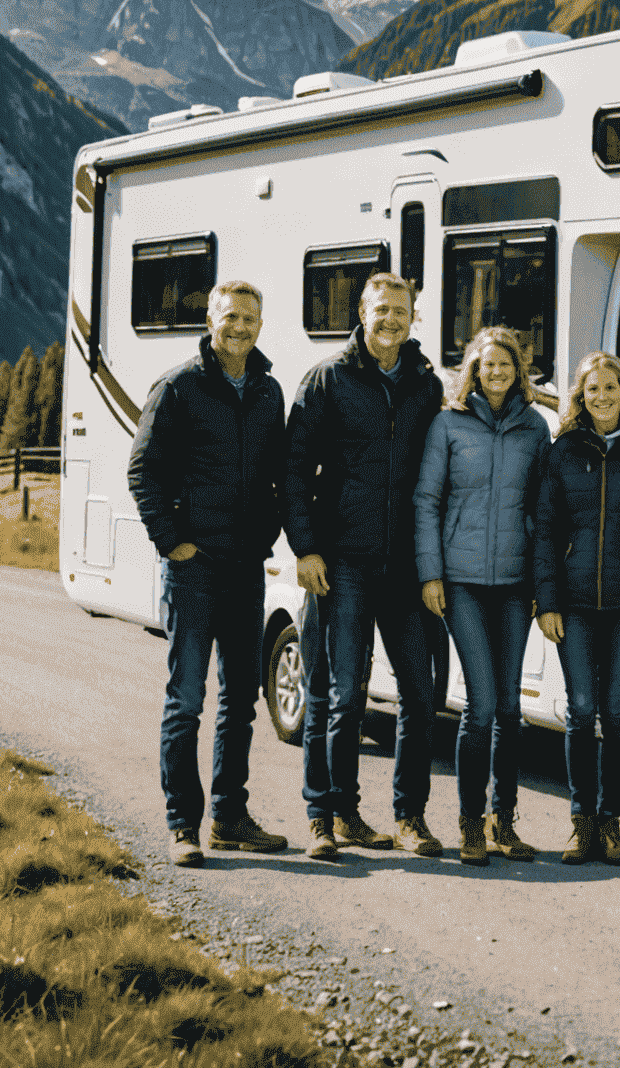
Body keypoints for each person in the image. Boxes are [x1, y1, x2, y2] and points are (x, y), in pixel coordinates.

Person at [128, 279, 290, 866]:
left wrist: (268, 535)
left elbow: (280, 474)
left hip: (245, 566)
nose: (239, 326)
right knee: (187, 700)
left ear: (260, 324)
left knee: (241, 700)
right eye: (229, 316)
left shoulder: (269, 392)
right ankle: (182, 826)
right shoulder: (178, 388)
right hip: (194, 570)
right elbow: (143, 470)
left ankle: (229, 817)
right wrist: (173, 544)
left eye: (249, 317)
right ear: (210, 318)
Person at [284, 272, 446, 862]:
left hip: (402, 567)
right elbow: (295, 468)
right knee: (339, 695)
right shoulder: (329, 378)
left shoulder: (426, 386)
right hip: (342, 563)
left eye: (400, 311)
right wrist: (306, 548)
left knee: (420, 696)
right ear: (362, 312)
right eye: (381, 310)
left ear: (412, 317)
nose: (390, 320)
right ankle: (328, 815)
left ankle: (410, 817)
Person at [414, 326, 551, 866]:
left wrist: (544, 585)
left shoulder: (536, 429)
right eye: (486, 365)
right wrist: (431, 574)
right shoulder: (449, 423)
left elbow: (544, 512)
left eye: (506, 365)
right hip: (463, 582)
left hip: (516, 584)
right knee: (483, 704)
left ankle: (504, 823)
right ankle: (470, 822)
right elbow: (427, 500)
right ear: (472, 370)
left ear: (519, 370)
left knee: (512, 709)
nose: (496, 373)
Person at [533, 352, 620, 866]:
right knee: (580, 712)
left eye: (610, 388)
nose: (602, 397)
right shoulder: (563, 451)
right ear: (580, 397)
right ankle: (580, 824)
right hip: (570, 602)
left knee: (615, 713)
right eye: (591, 390)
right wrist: (546, 602)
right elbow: (545, 532)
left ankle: (611, 824)